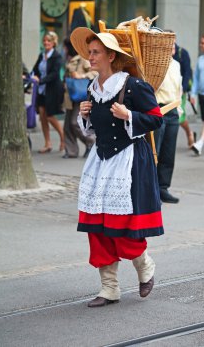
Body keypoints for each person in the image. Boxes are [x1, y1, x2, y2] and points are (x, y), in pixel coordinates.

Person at [70, 27, 164, 308]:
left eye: (96, 52)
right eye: (89, 52)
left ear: (111, 56)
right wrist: (85, 117)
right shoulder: (92, 87)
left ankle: (145, 266)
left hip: (129, 161)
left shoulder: (133, 86)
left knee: (121, 225)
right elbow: (95, 131)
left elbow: (157, 119)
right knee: (96, 226)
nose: (90, 57)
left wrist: (130, 115)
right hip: (100, 161)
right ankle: (109, 288)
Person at [154, 42, 182, 204]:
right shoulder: (156, 64)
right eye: (169, 45)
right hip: (159, 109)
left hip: (173, 111)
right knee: (155, 152)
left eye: (174, 45)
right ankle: (151, 190)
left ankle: (163, 188)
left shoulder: (176, 65)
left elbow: (178, 87)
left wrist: (179, 109)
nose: (173, 48)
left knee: (168, 153)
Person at [62, 37, 96, 159]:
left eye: (65, 47)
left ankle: (91, 142)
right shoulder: (69, 59)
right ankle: (71, 151)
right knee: (67, 125)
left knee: (75, 122)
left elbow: (94, 73)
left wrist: (81, 76)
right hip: (70, 95)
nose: (64, 49)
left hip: (80, 94)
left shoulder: (83, 58)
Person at [32, 31, 65, 153]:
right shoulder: (42, 55)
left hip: (52, 89)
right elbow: (35, 70)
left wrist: (40, 80)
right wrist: (33, 76)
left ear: (54, 43)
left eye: (49, 41)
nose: (46, 42)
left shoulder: (57, 56)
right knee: (42, 115)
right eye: (44, 40)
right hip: (41, 89)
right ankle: (48, 143)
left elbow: (55, 74)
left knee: (50, 116)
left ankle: (63, 138)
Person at [173, 43, 196, 148]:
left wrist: (184, 89)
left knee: (179, 116)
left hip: (180, 90)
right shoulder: (162, 52)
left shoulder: (182, 53)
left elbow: (187, 73)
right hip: (167, 91)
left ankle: (189, 133)